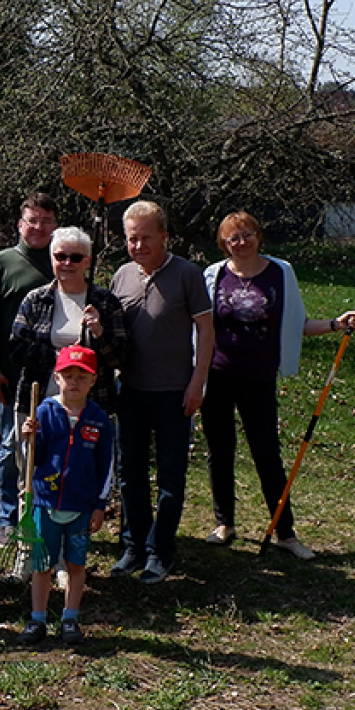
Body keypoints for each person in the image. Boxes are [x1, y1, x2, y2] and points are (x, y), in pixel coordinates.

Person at [200, 212, 355, 560]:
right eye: (233, 239)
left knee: (267, 454)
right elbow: (200, 326)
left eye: (246, 235)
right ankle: (224, 523)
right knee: (220, 450)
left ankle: (284, 532)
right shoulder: (213, 276)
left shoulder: (281, 273)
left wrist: (336, 324)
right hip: (216, 375)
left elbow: (297, 324)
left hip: (259, 377)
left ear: (259, 236)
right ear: (223, 244)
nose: (240, 243)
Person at [108, 200, 214, 584]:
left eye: (146, 238)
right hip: (131, 390)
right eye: (132, 239)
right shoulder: (121, 276)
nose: (138, 246)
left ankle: (160, 551)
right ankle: (133, 545)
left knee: (170, 475)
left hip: (174, 392)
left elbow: (205, 331)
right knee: (129, 472)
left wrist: (197, 383)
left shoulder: (187, 274)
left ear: (164, 236)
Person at [13, 345, 114, 646]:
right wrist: (28, 438)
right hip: (45, 502)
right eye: (68, 376)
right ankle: (38, 619)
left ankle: (70, 618)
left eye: (82, 377)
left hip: (81, 505)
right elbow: (31, 458)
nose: (74, 383)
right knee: (42, 564)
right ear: (57, 378)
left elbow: (107, 465)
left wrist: (100, 504)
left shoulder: (99, 420)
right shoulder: (44, 411)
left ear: (93, 381)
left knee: (76, 565)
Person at [0, 192, 59, 543]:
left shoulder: (64, 260)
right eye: (33, 220)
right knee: (12, 447)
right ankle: (8, 518)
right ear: (20, 224)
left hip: (60, 376)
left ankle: (51, 514)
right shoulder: (1, 264)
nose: (39, 227)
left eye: (46, 221)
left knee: (54, 444)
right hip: (14, 375)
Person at [8, 226, 126, 418]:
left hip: (91, 407)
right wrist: (61, 357)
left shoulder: (105, 302)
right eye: (60, 256)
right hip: (38, 405)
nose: (67, 263)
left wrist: (100, 333)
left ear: (87, 261)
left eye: (76, 258)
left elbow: (120, 358)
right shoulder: (36, 299)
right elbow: (16, 349)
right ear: (51, 258)